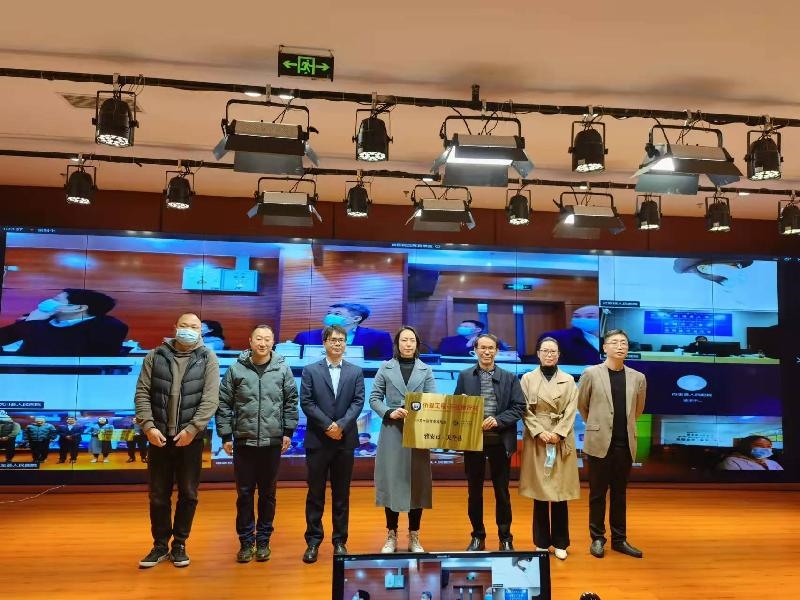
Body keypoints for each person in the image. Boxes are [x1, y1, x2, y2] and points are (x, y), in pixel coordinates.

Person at [134, 312, 220, 569]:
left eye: (194, 327)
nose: (188, 330)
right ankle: (160, 545)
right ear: (175, 327)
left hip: (190, 439)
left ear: (201, 332)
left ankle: (179, 544)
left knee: (189, 494)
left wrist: (193, 429)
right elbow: (142, 393)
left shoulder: (208, 358)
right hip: (158, 437)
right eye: (184, 325)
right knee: (158, 495)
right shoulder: (155, 355)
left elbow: (210, 398)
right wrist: (148, 426)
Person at [216, 324, 299, 563]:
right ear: (250, 342)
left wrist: (288, 432)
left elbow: (291, 402)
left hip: (273, 441)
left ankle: (263, 540)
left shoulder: (282, 368)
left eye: (267, 339)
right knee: (244, 494)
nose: (263, 343)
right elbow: (224, 403)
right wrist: (225, 435)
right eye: (259, 339)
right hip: (244, 441)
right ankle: (245, 542)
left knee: (267, 494)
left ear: (273, 342)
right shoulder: (236, 369)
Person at [578, 329, 646, 559]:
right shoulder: (591, 373)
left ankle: (620, 539)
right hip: (599, 442)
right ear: (604, 347)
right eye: (614, 342)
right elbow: (582, 405)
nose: (620, 346)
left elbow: (638, 410)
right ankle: (597, 538)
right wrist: (597, 425)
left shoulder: (638, 377)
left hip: (624, 444)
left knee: (620, 494)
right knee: (597, 494)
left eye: (624, 343)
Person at [300, 324, 365, 563]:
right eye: (333, 340)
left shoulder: (355, 371)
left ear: (346, 344)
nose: (337, 344)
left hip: (344, 440)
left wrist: (341, 426)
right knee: (315, 494)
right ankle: (313, 541)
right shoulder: (310, 370)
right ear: (325, 343)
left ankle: (340, 541)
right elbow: (307, 402)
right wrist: (328, 426)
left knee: (341, 494)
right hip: (318, 440)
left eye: (341, 340)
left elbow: (358, 402)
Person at [369, 326, 437, 553]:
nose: (408, 344)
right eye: (404, 340)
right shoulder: (385, 367)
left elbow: (433, 400)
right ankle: (391, 535)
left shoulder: (425, 369)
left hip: (418, 432)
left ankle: (414, 536)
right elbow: (374, 398)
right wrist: (389, 412)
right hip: (392, 431)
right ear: (397, 344)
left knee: (417, 483)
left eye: (412, 341)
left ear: (417, 344)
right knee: (392, 481)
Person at [456, 333, 526, 552]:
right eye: (482, 348)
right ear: (475, 350)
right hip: (473, 442)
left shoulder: (509, 377)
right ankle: (477, 535)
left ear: (497, 351)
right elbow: (455, 407)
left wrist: (497, 420)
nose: (486, 352)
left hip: (500, 442)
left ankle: (505, 537)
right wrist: (461, 405)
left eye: (491, 348)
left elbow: (519, 407)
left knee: (502, 493)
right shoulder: (465, 376)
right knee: (474, 493)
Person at [518, 337, 580, 561]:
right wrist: (539, 431)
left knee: (560, 493)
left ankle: (561, 542)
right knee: (540, 493)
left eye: (553, 351)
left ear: (559, 354)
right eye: (545, 351)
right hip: (538, 440)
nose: (549, 355)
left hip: (561, 438)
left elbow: (572, 410)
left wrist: (558, 433)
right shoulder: (527, 379)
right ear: (538, 353)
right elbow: (524, 409)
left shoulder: (569, 380)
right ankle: (541, 542)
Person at [0, 288, 128, 356]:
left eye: (56, 300)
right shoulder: (39, 319)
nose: (49, 302)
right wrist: (28, 323)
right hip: (23, 375)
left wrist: (31, 325)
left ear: (78, 308)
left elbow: (62, 350)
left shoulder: (108, 326)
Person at [293, 302, 393, 360]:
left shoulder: (379, 337)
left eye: (337, 314)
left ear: (356, 319)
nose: (330, 316)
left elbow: (387, 364)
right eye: (329, 313)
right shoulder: (305, 337)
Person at [536, 305, 600, 365]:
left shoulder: (605, 338)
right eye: (577, 316)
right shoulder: (555, 337)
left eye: (590, 317)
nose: (582, 319)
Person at [438, 320, 509, 356]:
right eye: (460, 326)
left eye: (466, 327)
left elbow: (502, 353)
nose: (461, 328)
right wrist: (467, 346)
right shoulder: (448, 341)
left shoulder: (490, 340)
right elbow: (443, 354)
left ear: (478, 330)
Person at [717, 435, 783, 471]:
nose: (765, 449)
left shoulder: (772, 463)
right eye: (759, 445)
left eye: (769, 446)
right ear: (746, 447)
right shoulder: (732, 462)